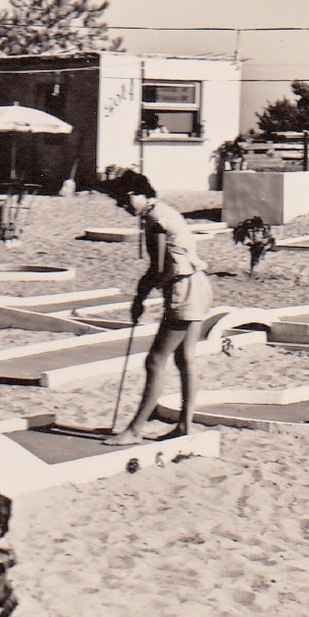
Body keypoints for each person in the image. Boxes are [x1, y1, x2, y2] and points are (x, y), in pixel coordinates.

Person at [98, 169, 214, 444]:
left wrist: (139, 298)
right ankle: (184, 426)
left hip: (184, 290)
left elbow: (157, 268)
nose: (122, 206)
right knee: (184, 359)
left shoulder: (154, 218)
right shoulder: (163, 211)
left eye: (124, 199)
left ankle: (135, 430)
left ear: (137, 194)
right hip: (197, 285)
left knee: (155, 361)